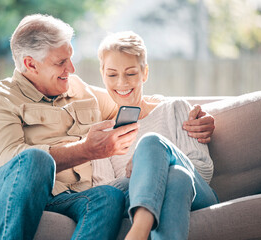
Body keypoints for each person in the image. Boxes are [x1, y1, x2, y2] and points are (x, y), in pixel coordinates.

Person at [0, 14, 215, 240]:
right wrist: (86, 150)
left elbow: (130, 98)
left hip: (63, 196)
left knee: (108, 196)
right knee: (36, 160)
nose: (71, 69)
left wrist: (193, 116)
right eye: (61, 62)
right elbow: (11, 164)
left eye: (71, 58)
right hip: (0, 188)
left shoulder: (78, 90)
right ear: (31, 64)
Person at [93, 31, 219, 240]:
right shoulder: (104, 134)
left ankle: (138, 232)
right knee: (178, 176)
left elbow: (204, 171)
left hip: (197, 196)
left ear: (145, 73)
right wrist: (147, 173)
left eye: (131, 73)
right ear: (103, 75)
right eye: (112, 74)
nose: (121, 83)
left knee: (151, 142)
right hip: (141, 197)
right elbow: (105, 195)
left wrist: (152, 160)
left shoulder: (175, 109)